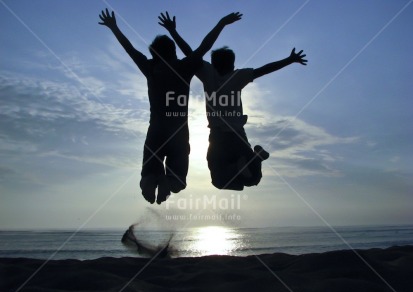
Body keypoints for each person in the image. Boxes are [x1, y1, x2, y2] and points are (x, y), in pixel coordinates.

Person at [99, 9, 242, 203]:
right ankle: (168, 184)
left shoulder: (150, 68)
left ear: (153, 53)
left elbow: (129, 49)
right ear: (173, 52)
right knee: (178, 181)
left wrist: (114, 27)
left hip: (156, 129)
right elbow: (204, 46)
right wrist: (221, 23)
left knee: (148, 173)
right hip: (178, 131)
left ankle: (151, 182)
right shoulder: (184, 67)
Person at [159, 12, 307, 190]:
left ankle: (245, 163)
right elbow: (265, 69)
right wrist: (289, 60)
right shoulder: (238, 76)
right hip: (238, 135)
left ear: (214, 63)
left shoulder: (207, 72)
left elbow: (190, 53)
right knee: (252, 180)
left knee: (219, 182)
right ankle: (252, 159)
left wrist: (173, 31)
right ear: (232, 65)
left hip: (218, 137)